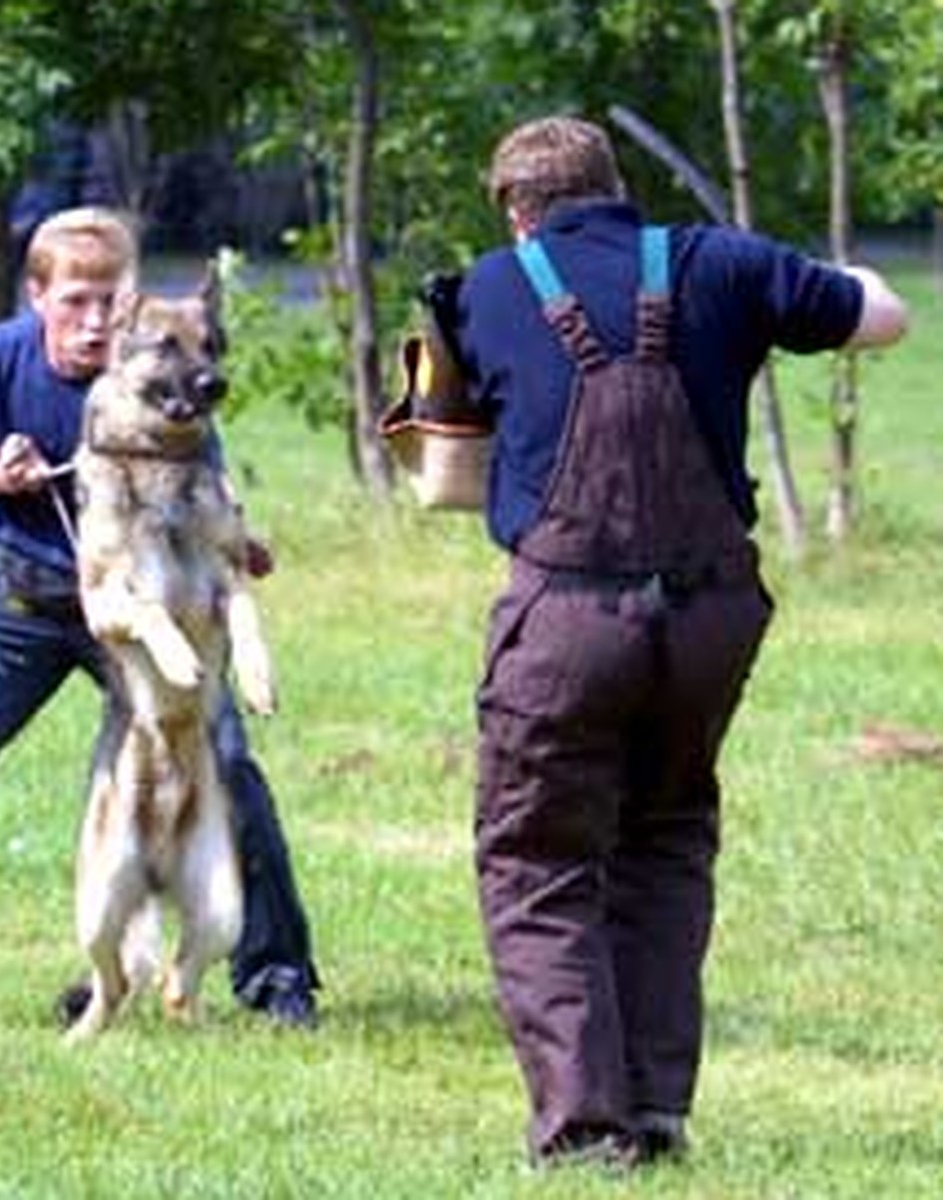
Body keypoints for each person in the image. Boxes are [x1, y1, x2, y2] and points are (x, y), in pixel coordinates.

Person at [449, 116, 907, 1168]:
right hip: (706, 623)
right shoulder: (724, 263)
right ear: (619, 189)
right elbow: (885, 318)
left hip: (566, 623)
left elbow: (457, 437)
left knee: (540, 861)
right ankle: (654, 1114)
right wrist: (810, 275)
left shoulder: (487, 286)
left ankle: (581, 1129)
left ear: (519, 211)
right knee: (663, 841)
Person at [0, 206, 319, 1028]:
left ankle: (279, 983)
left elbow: (206, 501)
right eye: (75, 300)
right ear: (37, 296)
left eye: (110, 300)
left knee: (232, 767)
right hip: (22, 596)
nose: (96, 318)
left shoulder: (162, 381)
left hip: (152, 614)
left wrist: (240, 550)